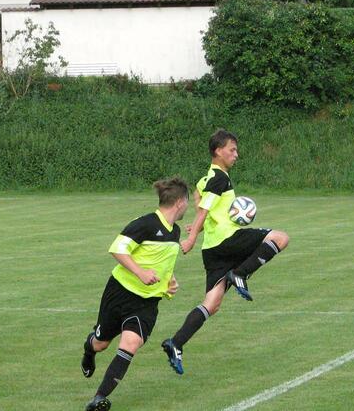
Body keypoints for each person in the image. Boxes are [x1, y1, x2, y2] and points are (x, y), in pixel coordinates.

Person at [161, 129, 289, 375]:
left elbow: (203, 206)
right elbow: (203, 210)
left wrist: (199, 227)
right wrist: (191, 237)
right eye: (232, 149)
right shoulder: (220, 178)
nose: (236, 154)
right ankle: (240, 274)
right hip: (228, 240)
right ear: (218, 151)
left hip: (212, 250)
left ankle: (176, 343)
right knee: (280, 238)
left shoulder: (206, 179)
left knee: (212, 303)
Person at [81, 177, 189, 411]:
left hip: (146, 303)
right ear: (180, 202)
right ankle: (89, 350)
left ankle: (99, 398)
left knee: (131, 343)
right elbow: (117, 249)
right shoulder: (146, 223)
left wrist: (169, 282)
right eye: (187, 203)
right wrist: (140, 273)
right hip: (119, 293)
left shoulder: (175, 232)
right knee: (101, 343)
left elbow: (162, 262)